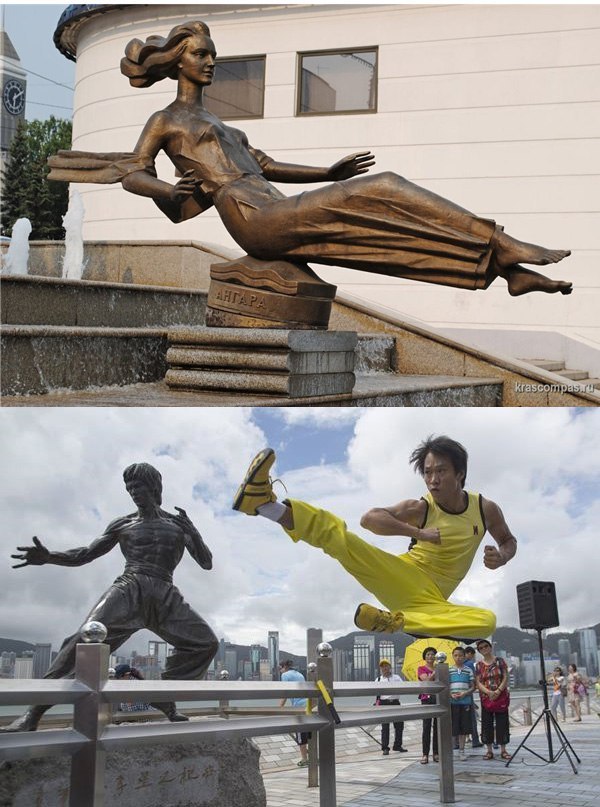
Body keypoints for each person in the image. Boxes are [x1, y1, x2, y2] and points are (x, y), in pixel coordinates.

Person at [48, 20, 573, 299]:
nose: (211, 62)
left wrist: (328, 174)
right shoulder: (167, 120)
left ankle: (505, 271)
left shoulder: (229, 128)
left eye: (212, 55)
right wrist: (168, 191)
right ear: (177, 60)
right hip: (251, 220)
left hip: (274, 204)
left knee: (379, 231)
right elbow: (135, 172)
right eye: (200, 54)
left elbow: (269, 165)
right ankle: (500, 241)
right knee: (386, 185)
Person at [2, 462, 218, 733]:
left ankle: (164, 695)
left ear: (153, 487)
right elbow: (85, 554)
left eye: (137, 486)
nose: (132, 492)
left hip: (165, 592)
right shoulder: (122, 524)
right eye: (129, 488)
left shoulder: (178, 526)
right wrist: (49, 557)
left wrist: (194, 531)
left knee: (206, 644)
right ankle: (31, 716)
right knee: (81, 641)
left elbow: (206, 563)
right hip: (130, 587)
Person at [232, 436, 517, 640]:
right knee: (344, 544)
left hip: (433, 605)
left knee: (487, 622)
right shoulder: (421, 508)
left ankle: (393, 622)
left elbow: (509, 540)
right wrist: (419, 533)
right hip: (404, 576)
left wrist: (502, 557)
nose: (433, 480)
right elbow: (369, 519)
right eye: (428, 472)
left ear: (460, 473)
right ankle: (264, 505)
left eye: (441, 471)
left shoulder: (485, 509)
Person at [475, 638, 511, 760]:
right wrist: (489, 692)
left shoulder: (500, 661)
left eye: (486, 646)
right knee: (486, 723)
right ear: (479, 651)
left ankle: (503, 750)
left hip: (501, 696)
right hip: (486, 698)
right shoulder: (479, 665)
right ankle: (489, 750)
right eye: (481, 648)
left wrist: (498, 690)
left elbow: (506, 676)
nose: (484, 649)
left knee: (502, 722)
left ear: (490, 647)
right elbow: (478, 682)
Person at [279, 659, 311, 767]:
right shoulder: (300, 674)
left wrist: (280, 707)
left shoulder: (285, 675)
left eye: (280, 668)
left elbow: (285, 693)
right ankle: (312, 755)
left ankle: (304, 759)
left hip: (298, 707)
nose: (280, 670)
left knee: (300, 733)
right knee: (308, 731)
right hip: (308, 705)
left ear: (284, 667)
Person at [375, 658, 407, 755]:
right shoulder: (378, 680)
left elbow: (403, 688)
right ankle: (385, 748)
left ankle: (397, 745)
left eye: (386, 665)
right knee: (385, 726)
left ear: (390, 666)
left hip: (395, 702)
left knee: (399, 725)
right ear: (380, 668)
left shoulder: (397, 677)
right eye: (382, 666)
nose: (384, 668)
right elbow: (376, 694)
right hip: (384, 703)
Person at [449, 647, 475, 761]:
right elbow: (446, 686)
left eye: (460, 655)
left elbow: (473, 686)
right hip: (453, 702)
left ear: (464, 656)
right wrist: (450, 694)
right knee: (453, 727)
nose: (458, 657)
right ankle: (450, 750)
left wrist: (465, 693)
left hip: (465, 702)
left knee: (464, 728)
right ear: (453, 656)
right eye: (456, 655)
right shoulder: (449, 670)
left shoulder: (468, 670)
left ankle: (462, 751)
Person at [418, 646, 439, 764]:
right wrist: (436, 672)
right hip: (426, 699)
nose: (430, 656)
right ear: (425, 657)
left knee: (437, 727)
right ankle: (425, 754)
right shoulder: (421, 668)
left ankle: (436, 753)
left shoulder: (440, 668)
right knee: (426, 727)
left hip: (438, 699)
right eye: (428, 654)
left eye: (432, 654)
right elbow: (426, 681)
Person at [463, 646, 483, 748]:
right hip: (468, 693)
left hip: (458, 694)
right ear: (469, 653)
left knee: (460, 719)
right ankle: (475, 740)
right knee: (472, 718)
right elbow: (473, 678)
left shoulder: (457, 665)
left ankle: (457, 742)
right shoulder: (470, 664)